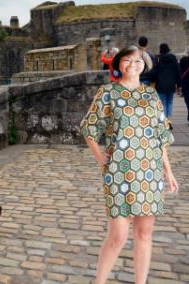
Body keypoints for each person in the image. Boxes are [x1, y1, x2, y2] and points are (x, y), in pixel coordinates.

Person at [80, 45, 178, 284]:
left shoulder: (151, 95)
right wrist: (100, 157)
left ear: (145, 64)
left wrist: (168, 171)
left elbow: (161, 136)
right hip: (119, 172)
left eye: (138, 61)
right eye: (127, 60)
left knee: (144, 233)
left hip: (150, 171)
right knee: (118, 236)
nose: (132, 65)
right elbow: (89, 128)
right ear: (118, 63)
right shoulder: (108, 92)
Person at [149, 43, 180, 123]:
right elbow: (177, 71)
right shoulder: (173, 58)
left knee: (163, 102)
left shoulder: (158, 58)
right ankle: (168, 119)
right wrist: (179, 85)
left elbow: (154, 72)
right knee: (170, 102)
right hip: (171, 84)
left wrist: (152, 80)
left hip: (160, 84)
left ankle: (165, 120)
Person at [179, 46, 189, 123]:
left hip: (185, 83)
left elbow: (180, 72)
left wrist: (179, 84)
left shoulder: (182, 60)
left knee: (187, 101)